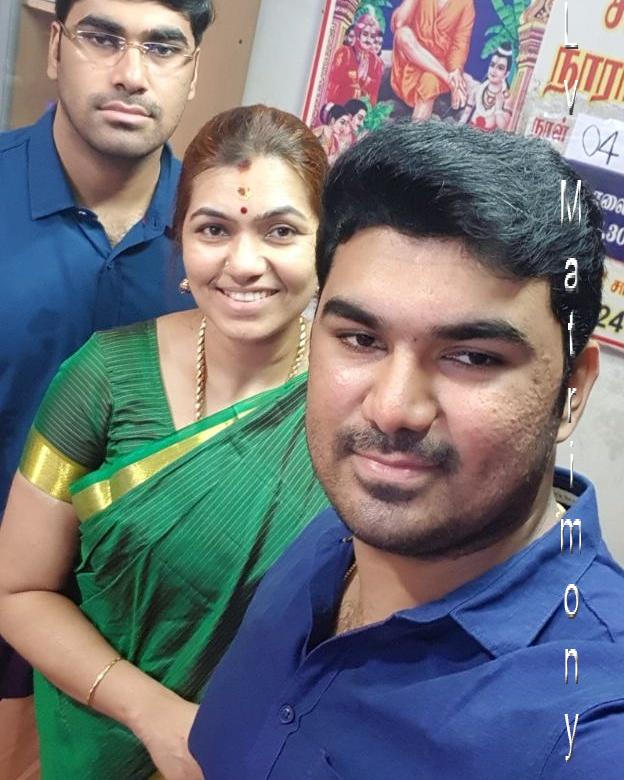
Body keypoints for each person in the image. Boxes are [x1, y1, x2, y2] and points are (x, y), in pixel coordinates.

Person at [189, 121, 624, 779]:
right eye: (361, 340)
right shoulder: (340, 535)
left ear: (571, 390)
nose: (393, 408)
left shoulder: (587, 731)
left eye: (472, 357)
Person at [0, 104, 329, 780]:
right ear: (181, 246)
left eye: (281, 230)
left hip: (279, 753)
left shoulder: (357, 400)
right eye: (214, 229)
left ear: (327, 247)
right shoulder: (102, 377)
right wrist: (154, 715)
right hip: (102, 745)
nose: (244, 263)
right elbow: (17, 593)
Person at [0, 0, 215, 772]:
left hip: (135, 660)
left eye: (162, 47)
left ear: (193, 71)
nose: (131, 74)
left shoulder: (221, 245)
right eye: (102, 37)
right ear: (56, 46)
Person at [391, 0, 475, 120]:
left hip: (438, 65)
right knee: (402, 34)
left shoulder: (466, 3)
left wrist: (456, 70)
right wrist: (450, 80)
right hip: (411, 60)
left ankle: (415, 130)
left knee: (429, 82)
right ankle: (448, 80)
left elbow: (460, 44)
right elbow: (399, 24)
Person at [326, 12, 384, 107]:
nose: (368, 39)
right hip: (339, 106)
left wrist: (365, 81)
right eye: (365, 34)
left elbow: (373, 94)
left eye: (372, 36)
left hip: (361, 110)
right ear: (358, 34)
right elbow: (333, 83)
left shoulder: (377, 63)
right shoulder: (344, 53)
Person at [459, 45, 514, 130]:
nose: (494, 71)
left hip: (488, 137)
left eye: (500, 68)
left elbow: (503, 127)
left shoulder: (507, 98)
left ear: (506, 74)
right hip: (469, 132)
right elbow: (466, 114)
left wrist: (498, 109)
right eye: (492, 65)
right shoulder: (477, 89)